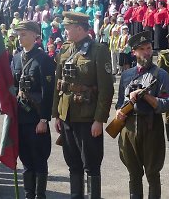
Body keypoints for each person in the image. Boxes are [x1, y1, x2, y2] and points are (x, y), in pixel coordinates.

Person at [52, 12, 114, 198]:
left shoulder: (98, 50)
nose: (65, 30)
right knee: (73, 163)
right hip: (67, 115)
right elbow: (59, 83)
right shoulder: (65, 49)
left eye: (68, 27)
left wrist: (99, 119)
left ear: (79, 28)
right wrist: (56, 114)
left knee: (91, 164)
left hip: (88, 117)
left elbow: (106, 89)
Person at [115, 30, 169, 198]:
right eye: (142, 49)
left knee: (153, 173)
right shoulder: (126, 75)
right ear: (134, 52)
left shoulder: (161, 75)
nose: (147, 52)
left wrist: (145, 95)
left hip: (151, 127)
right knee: (133, 173)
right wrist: (119, 111)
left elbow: (165, 104)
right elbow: (119, 102)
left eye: (149, 47)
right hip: (129, 127)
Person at [12, 21, 55, 199]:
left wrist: (44, 119)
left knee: (39, 158)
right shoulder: (15, 58)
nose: (20, 37)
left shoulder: (43, 59)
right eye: (19, 34)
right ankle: (29, 194)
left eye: (23, 34)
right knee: (26, 159)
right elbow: (13, 87)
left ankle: (39, 195)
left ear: (34, 35)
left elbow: (48, 91)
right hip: (20, 117)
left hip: (36, 118)